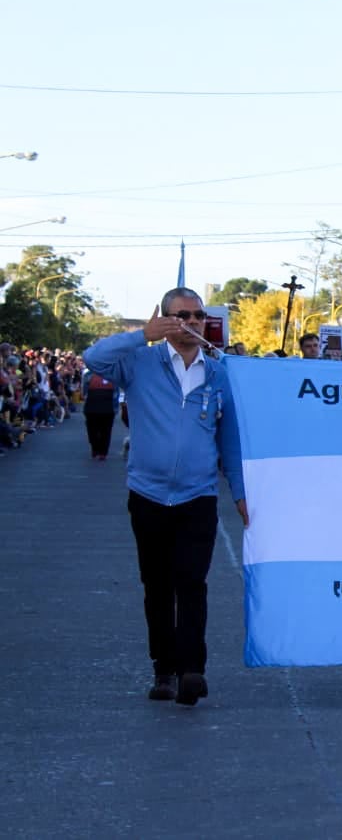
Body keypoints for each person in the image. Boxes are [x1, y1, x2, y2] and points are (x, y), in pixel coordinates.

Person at [82, 287, 248, 707]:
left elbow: (229, 440)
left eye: (197, 316)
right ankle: (164, 669)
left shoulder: (218, 373)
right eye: (181, 316)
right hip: (149, 494)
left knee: (192, 582)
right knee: (157, 585)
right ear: (165, 318)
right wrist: (144, 334)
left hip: (198, 495)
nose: (191, 323)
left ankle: (193, 669)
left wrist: (240, 494)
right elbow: (93, 359)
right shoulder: (140, 363)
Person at [81, 368, 119, 460]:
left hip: (95, 406)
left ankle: (99, 450)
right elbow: (116, 393)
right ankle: (100, 450)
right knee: (102, 430)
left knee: (96, 430)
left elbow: (84, 392)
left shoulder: (88, 374)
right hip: (102, 406)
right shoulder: (112, 374)